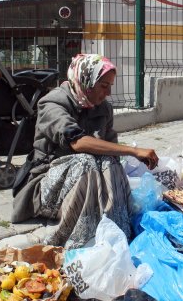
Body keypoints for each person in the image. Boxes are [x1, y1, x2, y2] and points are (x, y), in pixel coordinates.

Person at [11, 54, 158, 249]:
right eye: (104, 86)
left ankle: (118, 233)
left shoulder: (103, 108)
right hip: (46, 185)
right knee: (85, 160)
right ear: (87, 82)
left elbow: (112, 150)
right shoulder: (52, 104)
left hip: (84, 183)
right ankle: (76, 240)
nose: (108, 93)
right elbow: (77, 142)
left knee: (110, 160)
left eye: (110, 86)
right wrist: (133, 151)